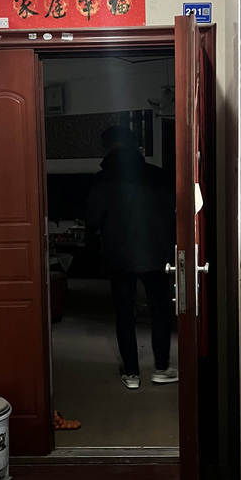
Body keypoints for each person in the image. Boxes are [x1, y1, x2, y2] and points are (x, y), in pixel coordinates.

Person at [86, 125, 178, 390]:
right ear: (137, 146)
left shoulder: (101, 180)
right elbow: (175, 213)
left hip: (119, 256)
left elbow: (92, 220)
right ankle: (161, 368)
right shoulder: (159, 176)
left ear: (107, 148)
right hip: (156, 253)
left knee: (124, 314)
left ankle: (132, 374)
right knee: (160, 311)